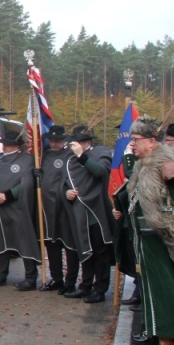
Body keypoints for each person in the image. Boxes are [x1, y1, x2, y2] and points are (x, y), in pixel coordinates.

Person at [120, 116, 174, 345]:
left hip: (164, 241)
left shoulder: (163, 165)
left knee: (167, 295)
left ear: (152, 142)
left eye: (136, 140)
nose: (131, 144)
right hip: (148, 240)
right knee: (155, 293)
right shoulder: (144, 165)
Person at [63, 126, 115, 303]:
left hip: (97, 209)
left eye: (76, 143)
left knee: (100, 253)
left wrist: (81, 156)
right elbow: (66, 182)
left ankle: (100, 289)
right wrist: (67, 193)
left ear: (87, 142)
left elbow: (100, 172)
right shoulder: (70, 159)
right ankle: (85, 286)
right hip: (80, 211)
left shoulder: (101, 152)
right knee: (85, 250)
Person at [0, 131, 40, 290]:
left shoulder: (27, 160)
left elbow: (27, 183)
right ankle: (0, 276)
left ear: (15, 145)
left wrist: (7, 195)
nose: (4, 145)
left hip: (18, 206)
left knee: (24, 240)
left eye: (7, 143)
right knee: (2, 241)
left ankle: (30, 278)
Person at [35, 125, 79, 293]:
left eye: (57, 141)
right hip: (48, 208)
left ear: (64, 141)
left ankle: (70, 281)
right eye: (51, 141)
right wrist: (38, 176)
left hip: (66, 208)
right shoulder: (45, 156)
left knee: (69, 245)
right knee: (52, 244)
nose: (53, 143)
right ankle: (56, 278)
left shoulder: (70, 156)